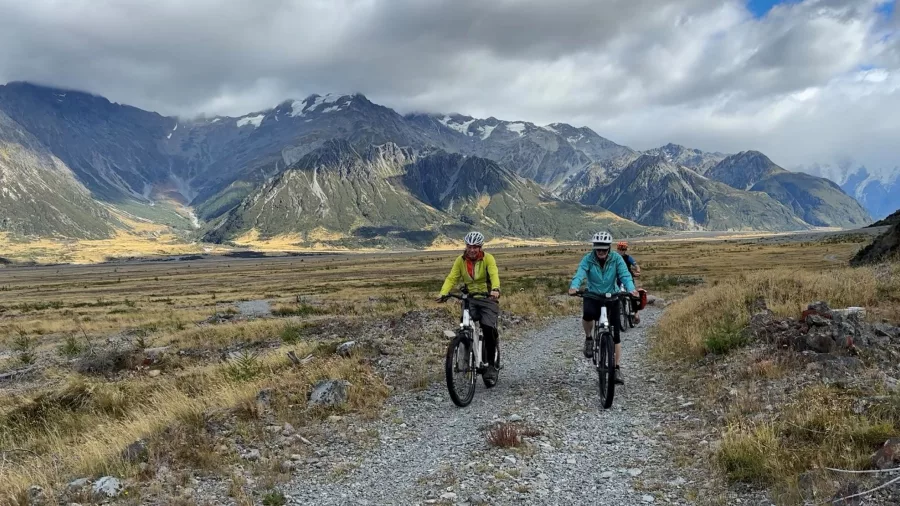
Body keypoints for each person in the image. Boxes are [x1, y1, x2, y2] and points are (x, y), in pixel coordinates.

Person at [568, 231, 637, 385]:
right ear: (594, 248)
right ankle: (589, 338)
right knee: (588, 314)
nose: (600, 251)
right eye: (598, 248)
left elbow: (625, 275)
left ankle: (616, 368)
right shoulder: (588, 259)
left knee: (616, 335)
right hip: (593, 295)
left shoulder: (617, 259)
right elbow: (580, 273)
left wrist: (631, 288)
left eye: (603, 249)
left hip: (612, 295)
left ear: (609, 248)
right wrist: (574, 286)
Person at [437, 231, 501, 383]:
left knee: (488, 328)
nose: (472, 250)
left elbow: (494, 274)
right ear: (466, 246)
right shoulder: (461, 261)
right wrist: (443, 293)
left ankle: (491, 365)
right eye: (469, 246)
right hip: (470, 299)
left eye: (475, 247)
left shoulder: (488, 259)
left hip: (487, 298)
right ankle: (466, 358)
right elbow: (452, 277)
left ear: (480, 247)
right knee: (464, 326)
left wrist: (496, 289)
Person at [617, 241, 642, 324]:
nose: (622, 250)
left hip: (628, 277)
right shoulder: (614, 257)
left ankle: (636, 314)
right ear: (618, 249)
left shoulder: (628, 258)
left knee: (633, 295)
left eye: (623, 249)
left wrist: (638, 270)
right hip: (617, 278)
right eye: (620, 248)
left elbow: (635, 264)